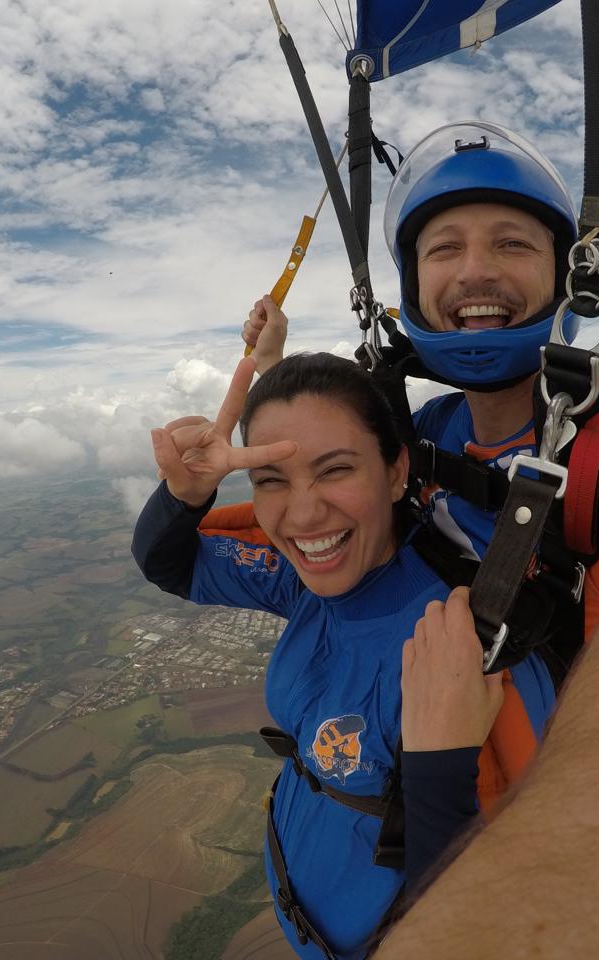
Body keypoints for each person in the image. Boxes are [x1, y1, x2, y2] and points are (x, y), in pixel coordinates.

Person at [243, 122, 599, 958]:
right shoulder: (416, 439)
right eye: (444, 247)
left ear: (568, 274)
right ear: (413, 286)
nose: (476, 270)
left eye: (511, 244)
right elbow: (267, 512)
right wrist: (256, 381)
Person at [132, 352, 557, 959]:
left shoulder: (462, 648)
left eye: (334, 471)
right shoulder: (302, 581)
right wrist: (185, 494)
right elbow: (169, 564)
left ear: (395, 472)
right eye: (271, 480)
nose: (302, 514)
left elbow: (484, 918)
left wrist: (441, 759)